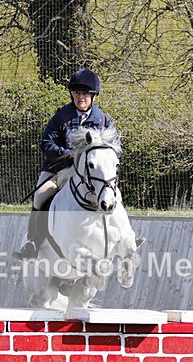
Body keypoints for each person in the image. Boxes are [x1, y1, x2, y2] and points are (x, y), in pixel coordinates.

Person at [13, 68, 116, 260]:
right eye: (77, 93)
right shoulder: (61, 116)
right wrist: (67, 154)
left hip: (90, 174)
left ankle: (122, 240)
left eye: (85, 94)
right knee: (40, 196)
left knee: (111, 193)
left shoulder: (102, 120)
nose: (80, 97)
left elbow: (116, 148)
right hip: (59, 171)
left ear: (93, 96)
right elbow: (46, 143)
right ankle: (33, 242)